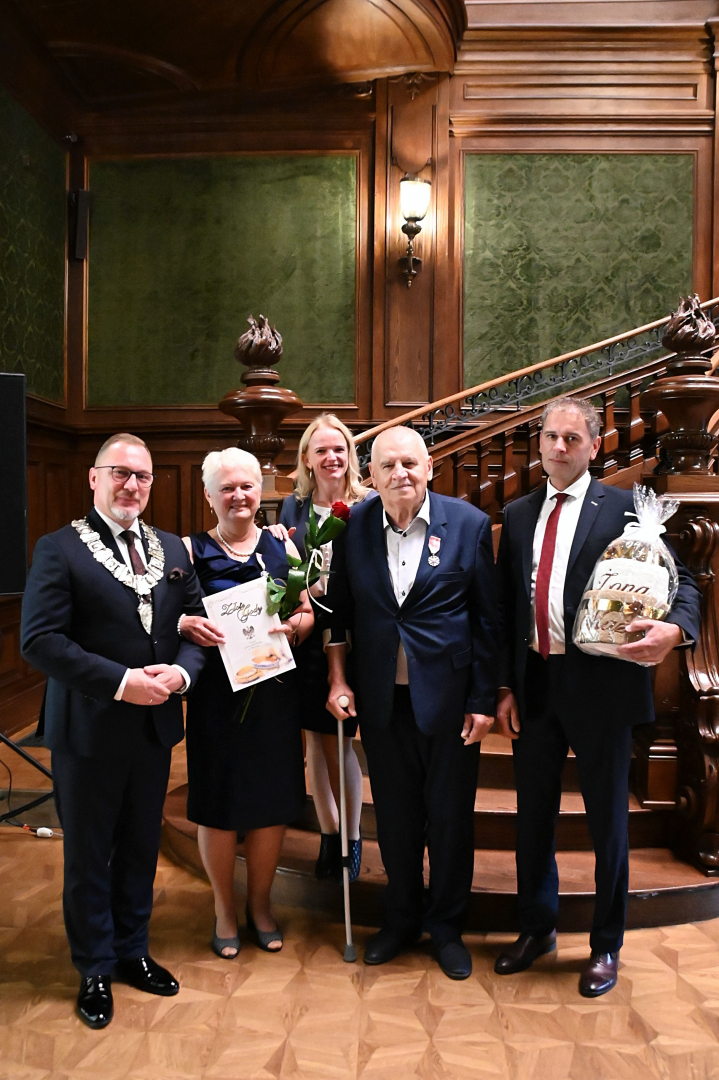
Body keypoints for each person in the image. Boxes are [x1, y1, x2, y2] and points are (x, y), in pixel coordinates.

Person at [494, 395, 702, 997]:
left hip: (602, 689)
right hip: (535, 685)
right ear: (539, 442)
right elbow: (507, 609)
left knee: (607, 822)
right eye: (550, 437)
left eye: (572, 438)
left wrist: (675, 631)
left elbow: (684, 582)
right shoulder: (518, 513)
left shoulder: (626, 508)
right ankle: (537, 928)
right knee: (532, 818)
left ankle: (606, 945)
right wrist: (504, 685)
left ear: (593, 445)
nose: (559, 447)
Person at [20, 433, 207, 1029]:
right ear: (94, 478)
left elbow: (195, 623)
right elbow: (40, 641)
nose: (132, 485)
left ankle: (132, 951)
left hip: (153, 728)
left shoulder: (171, 547)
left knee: (140, 847)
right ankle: (94, 966)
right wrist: (123, 682)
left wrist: (181, 673)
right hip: (88, 731)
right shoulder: (58, 549)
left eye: (142, 476)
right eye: (120, 473)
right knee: (89, 853)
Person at [325, 425, 498, 980]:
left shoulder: (468, 525)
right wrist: (338, 679)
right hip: (381, 700)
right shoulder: (352, 530)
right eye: (387, 465)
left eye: (409, 463)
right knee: (396, 820)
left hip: (450, 702)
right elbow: (340, 616)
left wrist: (483, 699)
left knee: (450, 820)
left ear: (429, 468)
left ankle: (446, 928)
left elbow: (487, 621)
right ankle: (400, 919)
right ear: (370, 477)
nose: (400, 473)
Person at [178, 447, 313, 959]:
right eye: (227, 488)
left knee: (271, 802)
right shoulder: (188, 550)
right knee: (217, 804)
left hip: (275, 695)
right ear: (209, 495)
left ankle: (260, 904)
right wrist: (186, 625)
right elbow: (172, 617)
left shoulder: (285, 546)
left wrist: (293, 628)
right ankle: (223, 908)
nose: (238, 496)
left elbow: (306, 613)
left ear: (261, 491)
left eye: (247, 486)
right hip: (215, 698)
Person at [277, 413, 372, 883]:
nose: (332, 457)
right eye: (322, 450)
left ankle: (353, 837)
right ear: (307, 459)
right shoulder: (291, 508)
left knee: (341, 740)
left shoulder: (367, 505)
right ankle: (329, 832)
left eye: (340, 449)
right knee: (313, 739)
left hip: (351, 638)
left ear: (350, 455)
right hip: (303, 638)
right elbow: (285, 569)